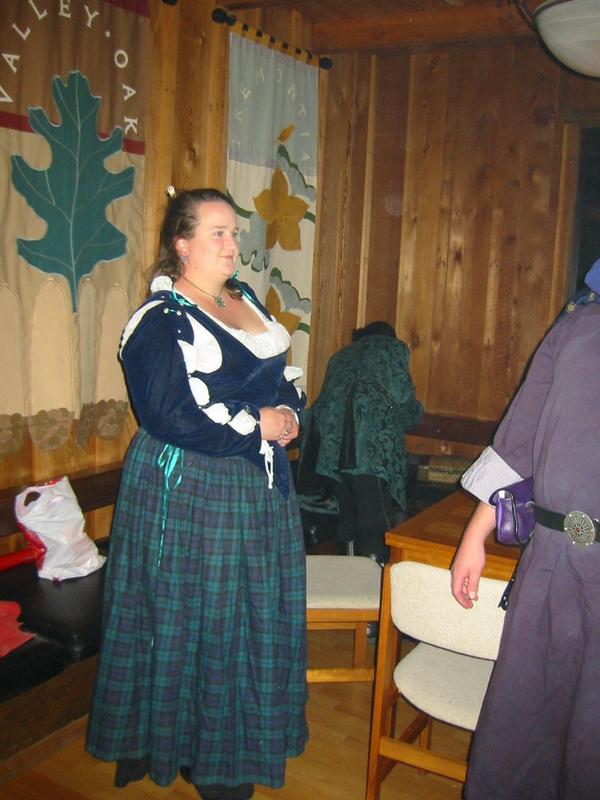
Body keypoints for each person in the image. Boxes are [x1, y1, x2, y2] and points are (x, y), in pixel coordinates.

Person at [86, 188, 308, 800]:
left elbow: (279, 377)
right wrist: (259, 424)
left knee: (251, 616)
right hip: (193, 492)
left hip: (257, 490)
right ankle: (206, 757)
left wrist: (288, 414)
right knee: (203, 621)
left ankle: (240, 739)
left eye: (235, 232)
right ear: (181, 245)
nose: (233, 244)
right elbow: (172, 415)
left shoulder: (244, 300)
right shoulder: (161, 321)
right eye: (218, 233)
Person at [451, 260, 600, 799]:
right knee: (520, 735)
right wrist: (475, 535)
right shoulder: (577, 326)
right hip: (552, 563)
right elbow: (519, 440)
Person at [298, 321, 423, 564]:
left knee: (348, 513)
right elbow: (403, 398)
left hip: (332, 448)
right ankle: (375, 579)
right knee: (374, 515)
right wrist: (413, 418)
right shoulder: (391, 348)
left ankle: (350, 575)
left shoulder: (341, 356)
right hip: (370, 446)